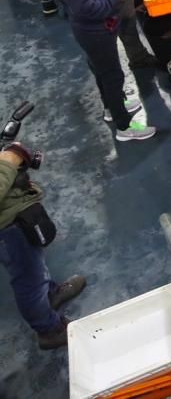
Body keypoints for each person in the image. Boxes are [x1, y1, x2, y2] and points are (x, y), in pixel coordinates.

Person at [32, 0, 158, 141]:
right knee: (112, 75)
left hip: (94, 28)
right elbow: (87, 9)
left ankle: (112, 107)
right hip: (95, 30)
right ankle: (125, 127)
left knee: (101, 70)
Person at [0, 145, 87, 350]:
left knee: (34, 264)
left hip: (14, 213)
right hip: (6, 226)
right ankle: (49, 330)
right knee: (28, 280)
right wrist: (8, 162)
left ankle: (50, 295)